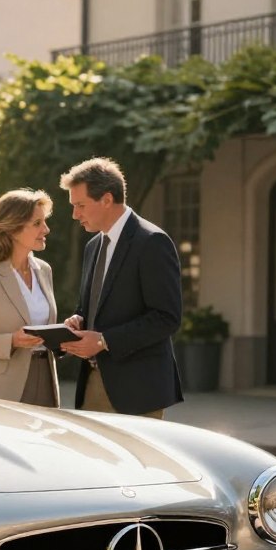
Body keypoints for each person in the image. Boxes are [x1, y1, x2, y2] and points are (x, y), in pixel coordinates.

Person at [59, 157, 183, 418]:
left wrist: (104, 341)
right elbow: (93, 307)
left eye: (80, 205)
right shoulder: (93, 246)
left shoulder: (152, 242)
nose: (75, 215)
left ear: (106, 199)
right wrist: (79, 319)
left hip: (138, 391)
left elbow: (166, 318)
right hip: (92, 383)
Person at [0, 188, 60, 407]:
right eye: (37, 223)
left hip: (46, 379)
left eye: (44, 222)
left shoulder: (44, 270)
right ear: (13, 229)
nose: (46, 229)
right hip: (4, 387)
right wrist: (12, 341)